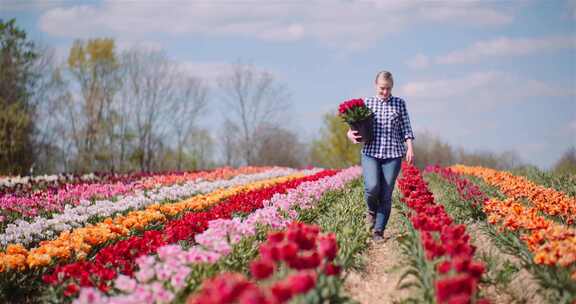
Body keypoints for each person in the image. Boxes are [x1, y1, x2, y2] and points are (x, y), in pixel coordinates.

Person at [346, 70, 415, 241]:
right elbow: (354, 126)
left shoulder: (399, 103)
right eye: (382, 88)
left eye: (388, 89)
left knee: (386, 193)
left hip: (393, 155)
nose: (385, 92)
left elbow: (406, 128)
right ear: (375, 85)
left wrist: (410, 148)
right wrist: (350, 135)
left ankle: (378, 231)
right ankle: (371, 210)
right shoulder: (367, 103)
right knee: (372, 187)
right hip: (371, 153)